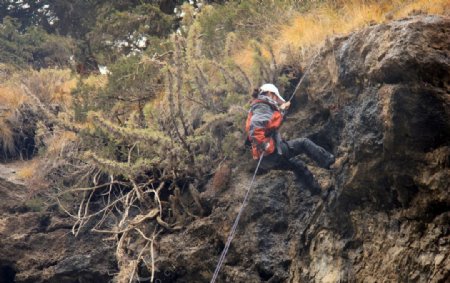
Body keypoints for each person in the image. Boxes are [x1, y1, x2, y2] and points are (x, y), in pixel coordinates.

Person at [245, 83, 335, 195]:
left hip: (264, 160)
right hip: (270, 153)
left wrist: (281, 111)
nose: (276, 100)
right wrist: (263, 145)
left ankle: (318, 192)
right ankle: (330, 163)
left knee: (297, 165)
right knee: (304, 143)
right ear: (270, 94)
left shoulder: (260, 107)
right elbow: (255, 128)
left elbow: (270, 123)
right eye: (275, 97)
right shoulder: (263, 106)